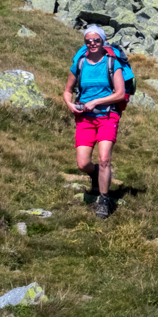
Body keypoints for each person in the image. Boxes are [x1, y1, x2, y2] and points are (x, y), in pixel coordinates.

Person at [62, 25, 125, 219]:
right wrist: (70, 104)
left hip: (107, 116)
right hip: (84, 119)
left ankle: (104, 199)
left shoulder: (112, 64)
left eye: (96, 40)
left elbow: (120, 93)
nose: (92, 44)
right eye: (88, 41)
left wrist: (97, 101)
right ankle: (97, 173)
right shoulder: (80, 64)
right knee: (82, 164)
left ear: (103, 41)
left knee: (104, 158)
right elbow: (67, 91)